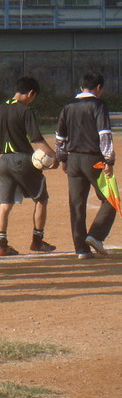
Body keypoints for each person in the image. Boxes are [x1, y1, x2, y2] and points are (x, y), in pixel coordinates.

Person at [0, 77, 58, 256]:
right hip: (23, 160)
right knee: (41, 199)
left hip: (4, 161)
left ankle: (1, 245)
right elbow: (37, 140)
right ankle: (37, 241)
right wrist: (54, 156)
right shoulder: (25, 110)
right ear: (31, 93)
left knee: (5, 205)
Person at [55, 72, 116, 260]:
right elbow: (104, 134)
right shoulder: (98, 104)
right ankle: (96, 235)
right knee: (111, 198)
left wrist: (63, 158)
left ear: (82, 87)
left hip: (73, 159)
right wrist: (109, 160)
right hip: (93, 159)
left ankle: (81, 249)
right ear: (98, 88)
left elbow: (60, 137)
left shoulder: (68, 106)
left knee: (76, 204)